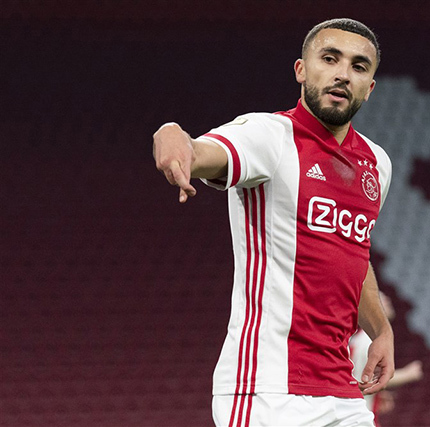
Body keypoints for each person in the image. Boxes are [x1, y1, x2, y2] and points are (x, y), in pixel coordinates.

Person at [153, 18, 393, 427]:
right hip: (267, 392)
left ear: (369, 87)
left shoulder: (377, 164)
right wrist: (173, 135)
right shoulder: (269, 136)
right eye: (329, 58)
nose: (342, 74)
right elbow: (206, 151)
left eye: (358, 66)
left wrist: (380, 330)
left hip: (342, 392)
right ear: (302, 70)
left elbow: (353, 252)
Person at [350, 292, 424, 426]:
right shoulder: (370, 341)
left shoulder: (361, 338)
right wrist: (409, 374)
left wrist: (377, 395)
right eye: (381, 298)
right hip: (360, 419)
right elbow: (367, 379)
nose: (388, 299)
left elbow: (357, 378)